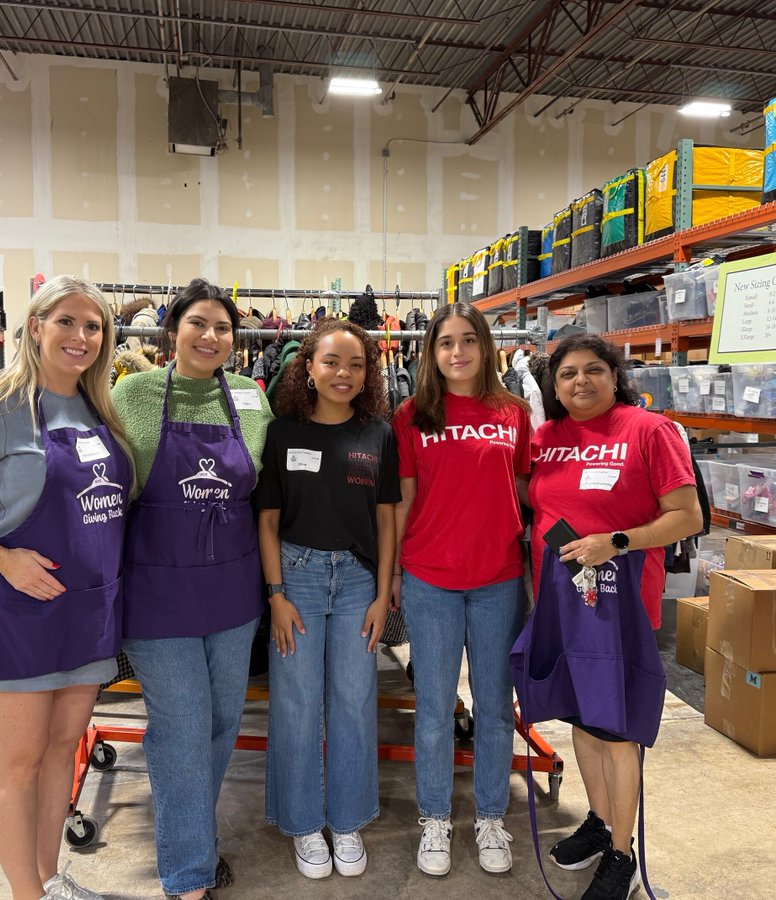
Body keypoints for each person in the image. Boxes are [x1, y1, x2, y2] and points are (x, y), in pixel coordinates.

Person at [0, 275, 132, 900]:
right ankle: (25, 894)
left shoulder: (100, 407)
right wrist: (1, 559)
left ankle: (49, 879)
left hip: (89, 610)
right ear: (35, 327)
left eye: (93, 326)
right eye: (66, 321)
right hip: (21, 614)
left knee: (62, 751)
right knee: (20, 761)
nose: (80, 336)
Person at [110, 279, 273, 900]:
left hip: (232, 591)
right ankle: (188, 877)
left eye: (222, 327)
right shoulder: (133, 393)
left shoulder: (250, 397)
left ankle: (193, 837)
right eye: (197, 324)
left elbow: (267, 492)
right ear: (171, 330)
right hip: (156, 593)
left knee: (224, 720)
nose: (210, 336)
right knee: (181, 726)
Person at [529, 333, 701, 900]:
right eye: (567, 374)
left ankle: (622, 854)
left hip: (620, 605)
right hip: (562, 600)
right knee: (583, 719)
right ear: (554, 387)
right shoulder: (547, 438)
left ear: (614, 375)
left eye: (593, 370)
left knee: (618, 729)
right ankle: (600, 823)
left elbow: (688, 517)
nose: (580, 381)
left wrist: (618, 541)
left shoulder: (649, 431)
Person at [391, 301, 533, 877]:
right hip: (430, 579)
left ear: (485, 346)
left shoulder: (514, 412)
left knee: (495, 708)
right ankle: (435, 819)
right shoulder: (411, 415)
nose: (457, 352)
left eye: (468, 340)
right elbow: (403, 499)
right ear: (431, 351)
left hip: (499, 579)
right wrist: (393, 573)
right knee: (433, 709)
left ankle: (491, 817)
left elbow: (525, 490)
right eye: (446, 342)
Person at [255, 319, 400, 879]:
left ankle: (347, 820)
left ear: (368, 375)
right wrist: (276, 595)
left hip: (360, 582)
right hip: (298, 580)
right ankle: (302, 824)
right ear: (309, 369)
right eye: (332, 362)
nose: (344, 373)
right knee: (296, 703)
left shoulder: (378, 434)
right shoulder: (282, 433)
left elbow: (386, 519)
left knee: (354, 701)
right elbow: (268, 521)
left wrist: (383, 591)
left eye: (356, 365)